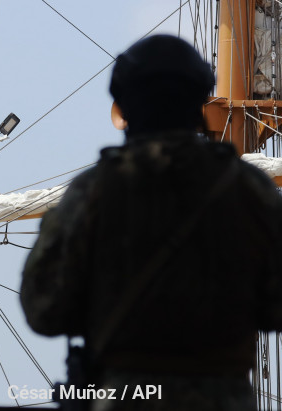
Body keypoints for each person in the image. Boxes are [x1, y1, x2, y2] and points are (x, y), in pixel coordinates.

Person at [21, 34, 282, 411]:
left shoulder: (93, 192)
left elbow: (43, 309)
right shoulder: (249, 190)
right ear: (199, 104)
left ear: (125, 107)